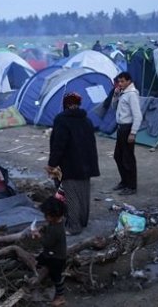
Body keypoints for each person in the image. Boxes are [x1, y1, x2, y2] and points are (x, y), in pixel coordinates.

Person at [46, 92, 100, 235]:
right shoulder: (86, 120)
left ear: (66, 104)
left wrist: (52, 164)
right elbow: (91, 145)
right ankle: (83, 221)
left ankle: (74, 226)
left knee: (70, 195)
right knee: (83, 194)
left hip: (69, 164)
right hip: (86, 164)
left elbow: (59, 144)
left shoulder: (62, 120)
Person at [31, 197, 67, 307]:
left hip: (57, 258)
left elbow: (47, 243)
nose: (45, 217)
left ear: (54, 216)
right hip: (50, 253)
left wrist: (38, 236)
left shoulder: (57, 230)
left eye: (47, 215)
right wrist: (42, 229)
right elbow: (47, 227)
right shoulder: (55, 223)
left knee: (57, 276)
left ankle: (60, 297)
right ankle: (40, 275)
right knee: (38, 260)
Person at [111, 72, 142, 196]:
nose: (120, 84)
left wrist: (133, 133)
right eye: (119, 81)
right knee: (118, 156)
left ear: (129, 81)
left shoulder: (132, 94)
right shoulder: (123, 93)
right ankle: (124, 181)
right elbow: (113, 107)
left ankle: (131, 186)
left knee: (128, 158)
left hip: (127, 128)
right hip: (121, 128)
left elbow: (138, 115)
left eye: (123, 81)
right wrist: (115, 95)